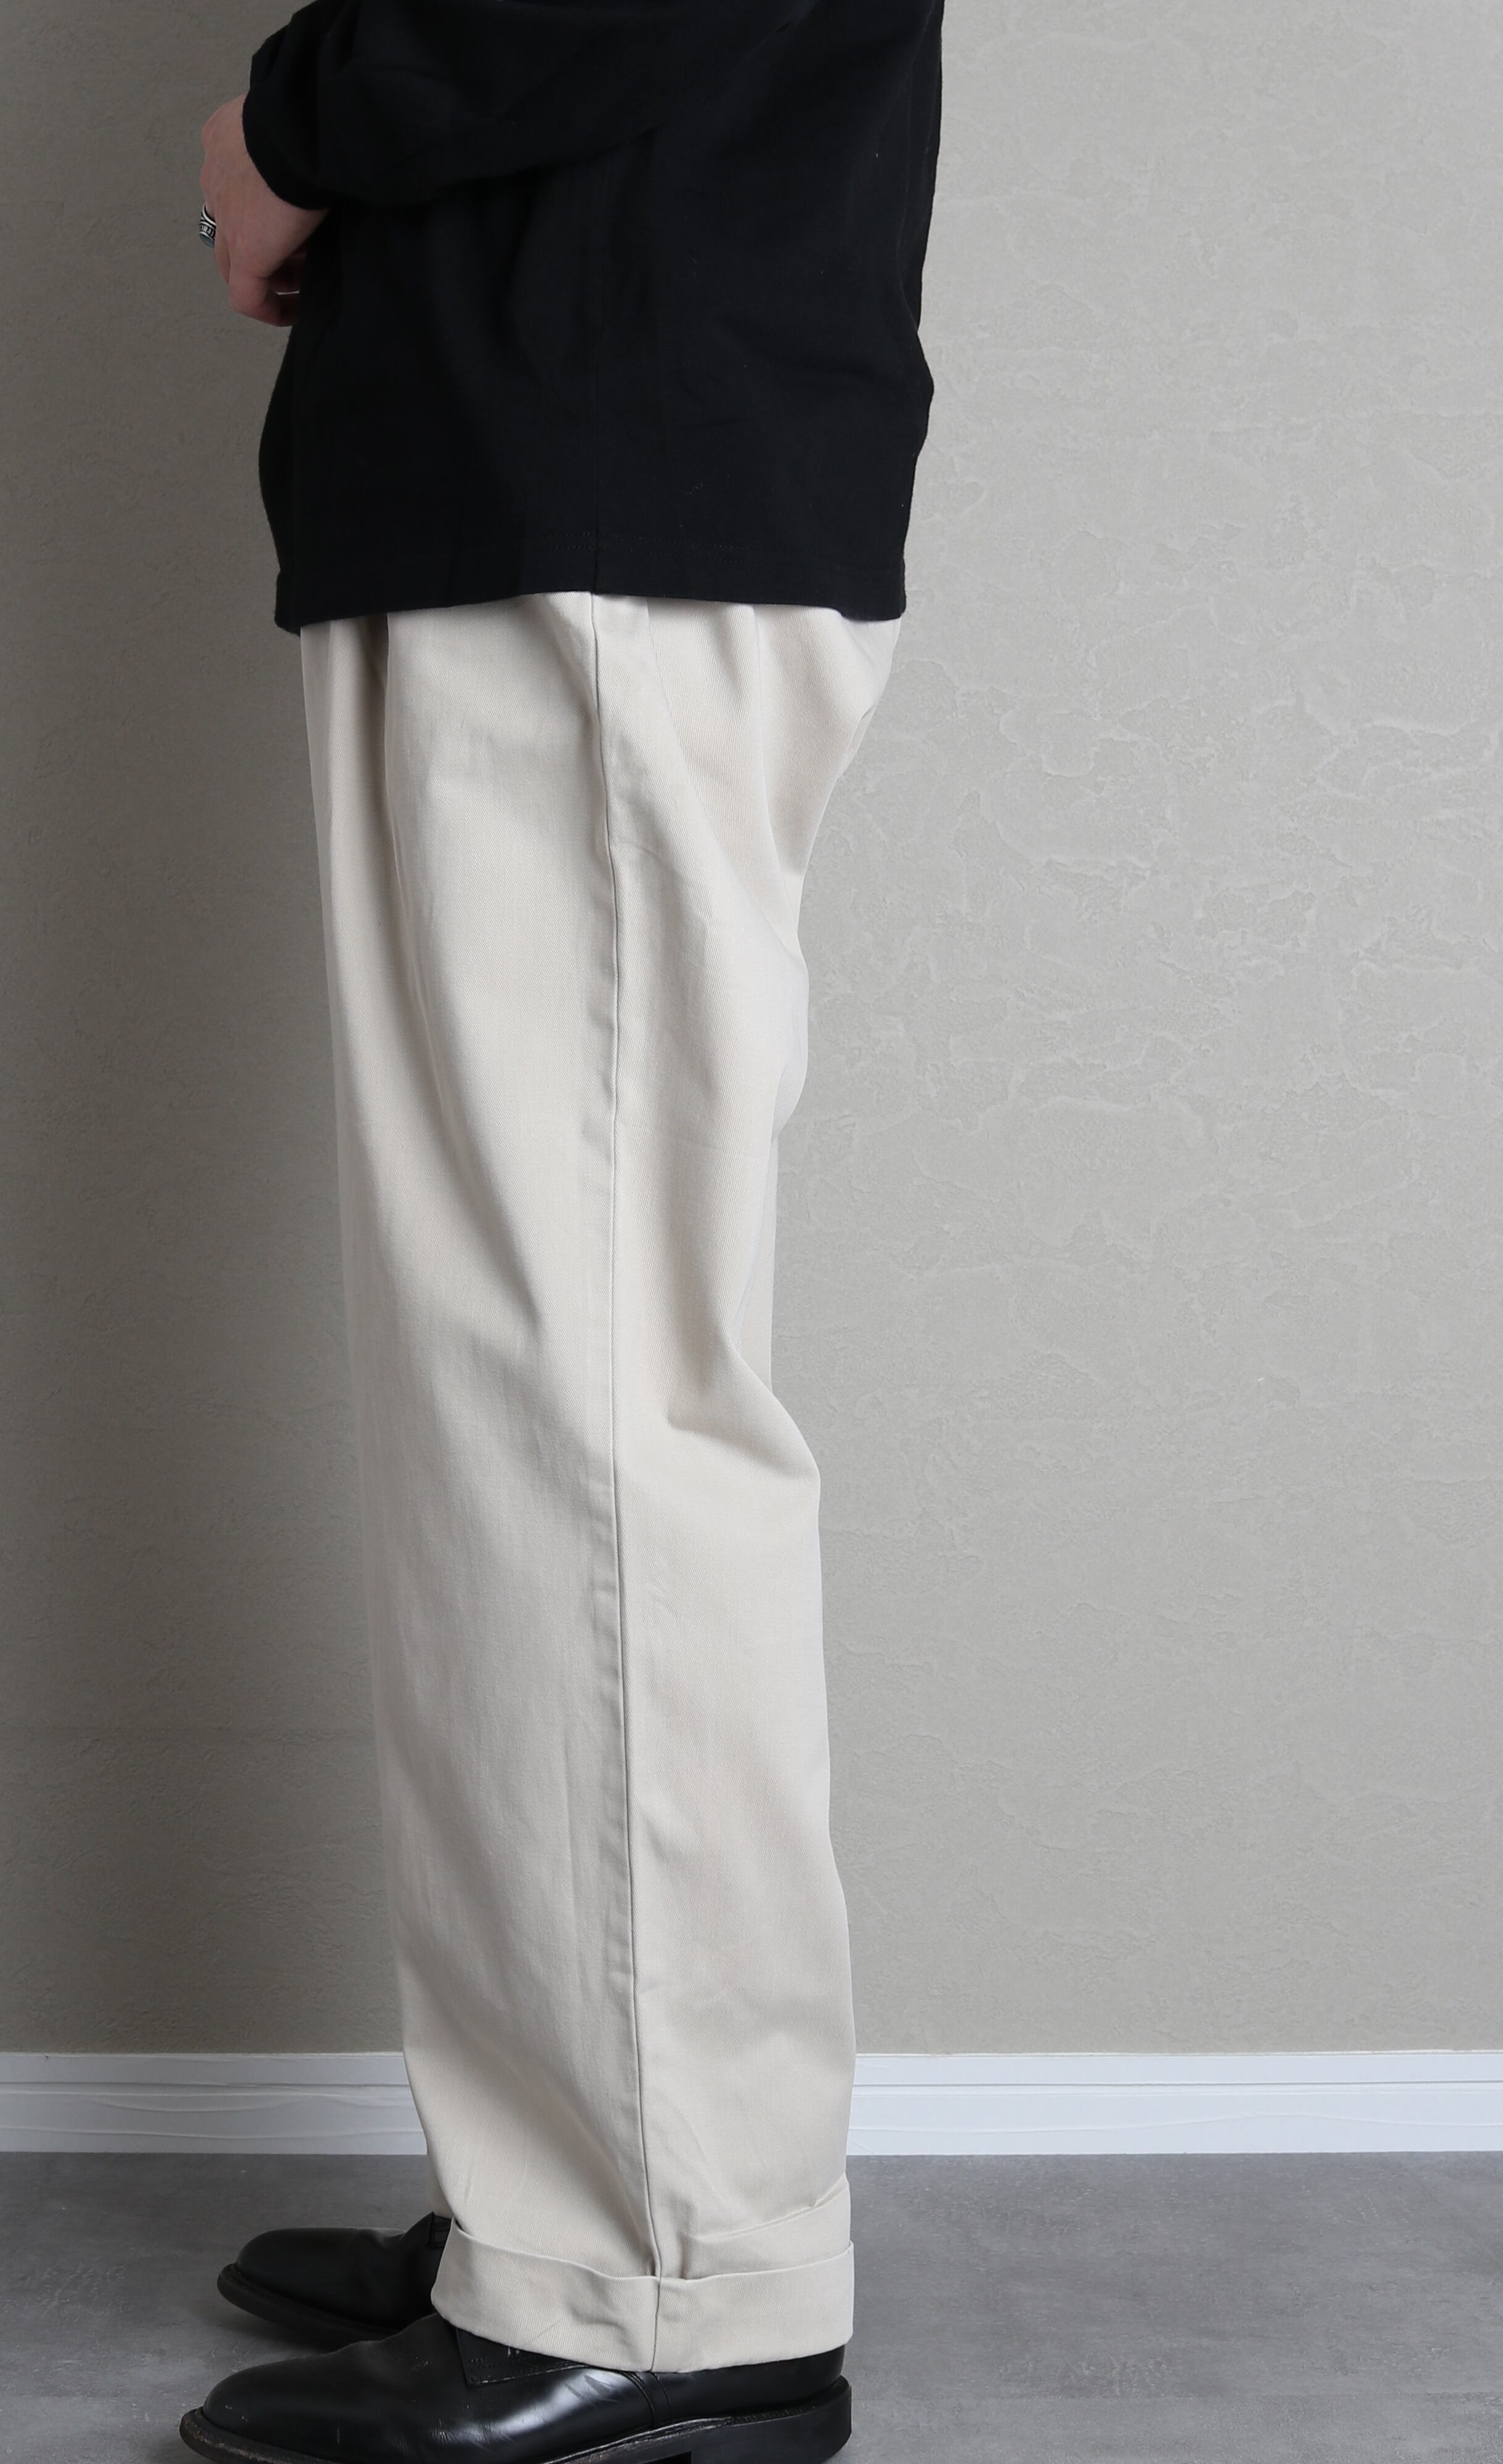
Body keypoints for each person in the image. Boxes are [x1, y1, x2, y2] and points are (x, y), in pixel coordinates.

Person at [182, 2, 942, 2456]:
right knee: (525, 1407)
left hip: (596, 474)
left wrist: (291, 122)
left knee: (586, 1413)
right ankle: (576, 2191)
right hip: (555, 460)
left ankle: (667, 2272)